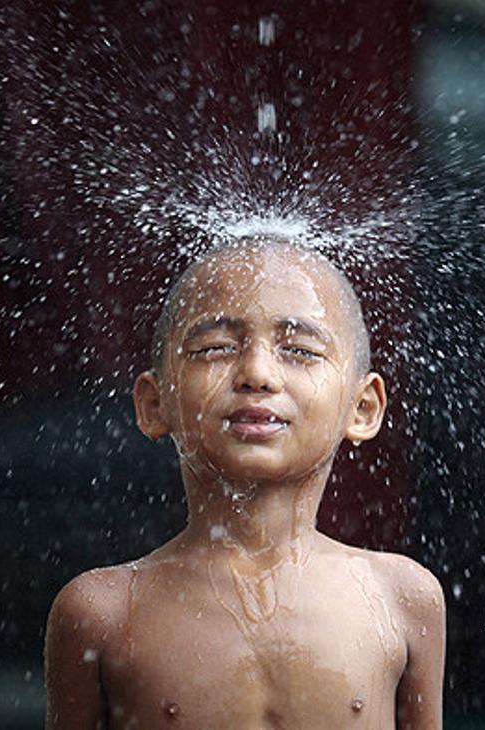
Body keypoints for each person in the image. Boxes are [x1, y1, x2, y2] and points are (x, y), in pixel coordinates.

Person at [44, 236, 446, 729]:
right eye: (215, 348)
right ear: (154, 404)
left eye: (299, 350)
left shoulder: (400, 598)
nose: (257, 373)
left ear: (362, 408)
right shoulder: (102, 612)